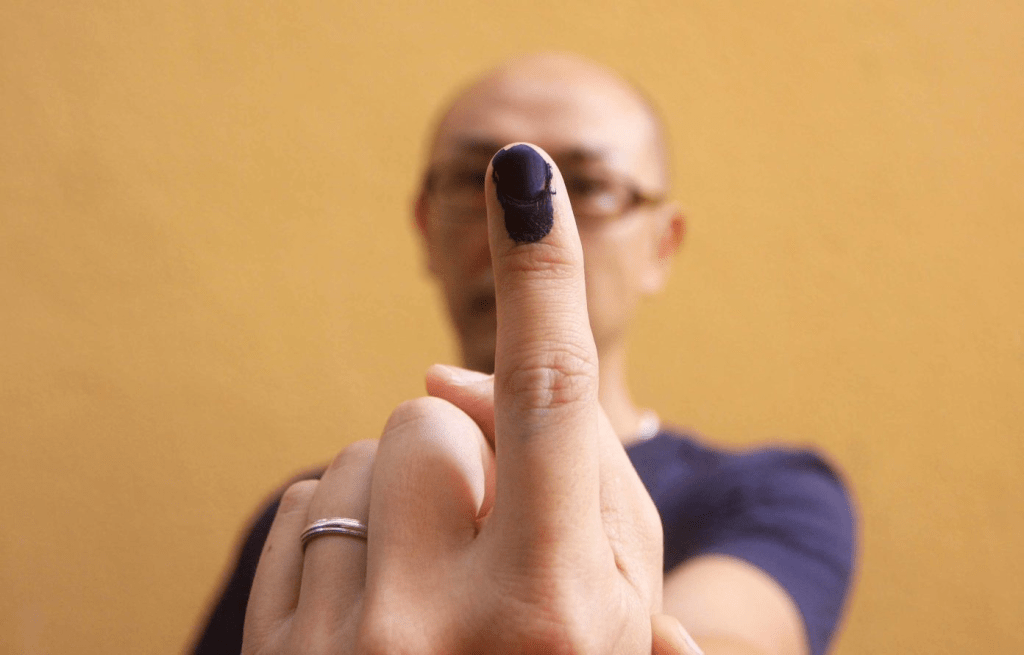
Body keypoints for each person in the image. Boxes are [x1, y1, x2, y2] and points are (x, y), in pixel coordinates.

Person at [191, 53, 856, 655]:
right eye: (472, 180)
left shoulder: (770, 495)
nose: (508, 220)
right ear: (425, 226)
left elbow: (731, 637)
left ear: (661, 245)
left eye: (588, 185)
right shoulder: (318, 518)